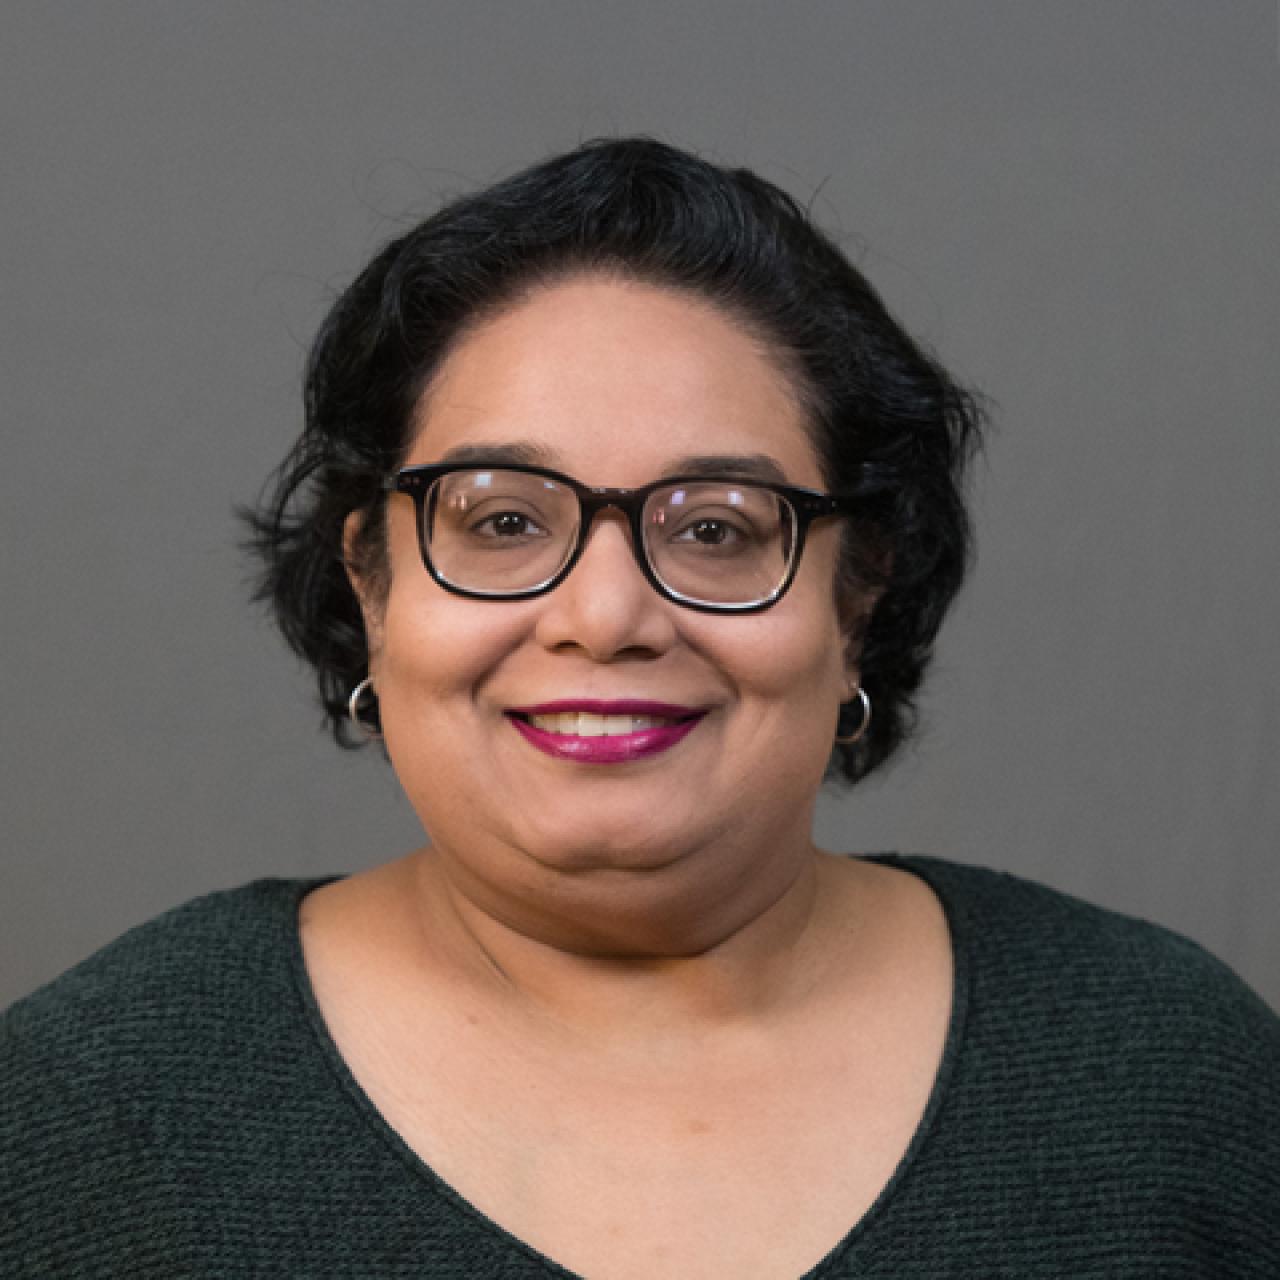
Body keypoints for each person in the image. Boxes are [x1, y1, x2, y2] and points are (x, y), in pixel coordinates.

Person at [2, 137, 1277, 1279]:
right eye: (502, 518)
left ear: (855, 600)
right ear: (370, 587)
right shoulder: (82, 1110)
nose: (605, 614)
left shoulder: (1167, 1071)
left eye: (715, 527)